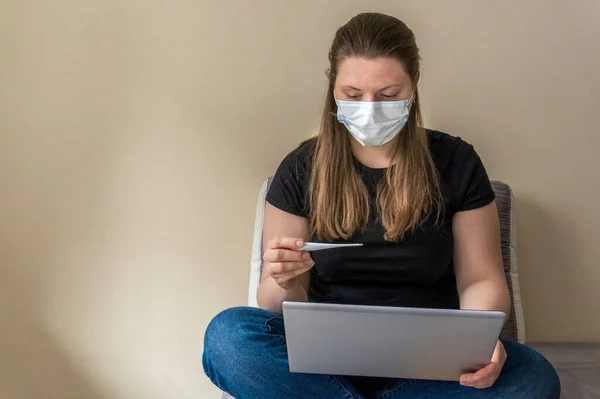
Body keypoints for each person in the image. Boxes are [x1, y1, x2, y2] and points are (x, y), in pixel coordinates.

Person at [202, 12, 561, 399]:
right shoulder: (301, 168)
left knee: (533, 377)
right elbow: (274, 303)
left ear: (414, 85)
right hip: (324, 363)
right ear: (333, 89)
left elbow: (481, 279)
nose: (370, 108)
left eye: (388, 95)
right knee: (228, 337)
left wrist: (477, 341)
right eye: (353, 95)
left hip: (431, 364)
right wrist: (282, 279)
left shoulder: (456, 160)